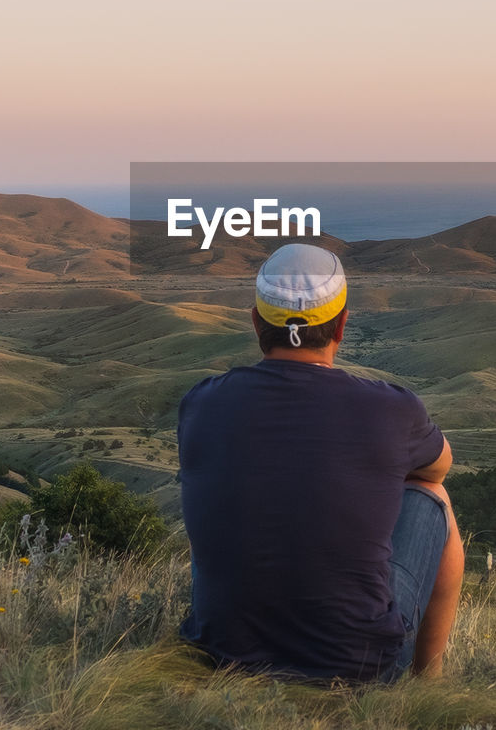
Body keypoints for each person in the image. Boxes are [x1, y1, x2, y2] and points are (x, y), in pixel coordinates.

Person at [177, 242, 464, 682]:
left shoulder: (200, 403)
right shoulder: (391, 408)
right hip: (360, 668)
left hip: (224, 658)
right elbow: (438, 468)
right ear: (342, 326)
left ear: (256, 322)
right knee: (433, 498)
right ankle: (429, 681)